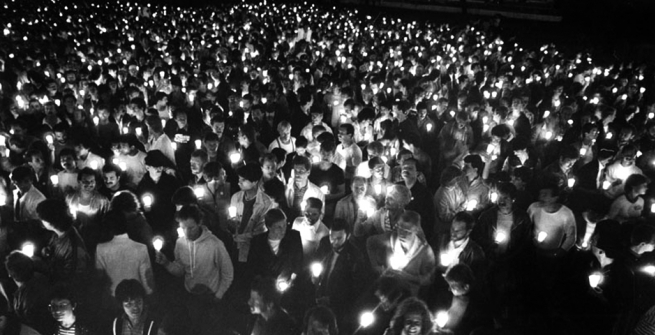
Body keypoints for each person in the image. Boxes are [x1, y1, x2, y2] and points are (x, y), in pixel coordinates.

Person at [155, 205, 233, 335]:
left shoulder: (215, 244)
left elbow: (228, 273)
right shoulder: (180, 243)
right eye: (183, 228)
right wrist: (167, 263)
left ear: (200, 223)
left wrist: (218, 295)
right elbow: (180, 270)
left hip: (211, 298)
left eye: (191, 228)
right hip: (190, 297)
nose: (187, 233)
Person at [314, 218, 368, 334]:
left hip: (339, 308)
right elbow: (316, 262)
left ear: (347, 236)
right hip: (319, 297)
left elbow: (356, 289)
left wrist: (331, 300)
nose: (334, 242)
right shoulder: (324, 243)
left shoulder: (355, 256)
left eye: (339, 238)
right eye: (331, 238)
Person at [367, 211, 436, 295]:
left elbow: (429, 279)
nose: (401, 234)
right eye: (399, 228)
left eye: (407, 231)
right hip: (387, 289)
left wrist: (408, 277)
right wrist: (375, 266)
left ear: (416, 230)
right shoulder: (391, 238)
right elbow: (370, 242)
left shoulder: (425, 251)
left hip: (407, 294)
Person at [95, 210, 154, 303]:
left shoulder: (101, 248)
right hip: (135, 298)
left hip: (112, 298)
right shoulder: (141, 248)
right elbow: (147, 279)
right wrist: (150, 298)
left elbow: (100, 277)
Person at [37, 199, 91, 286]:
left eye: (42, 218)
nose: (40, 221)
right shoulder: (59, 232)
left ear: (51, 222)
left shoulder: (74, 249)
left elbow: (71, 280)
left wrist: (42, 266)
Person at [229, 164, 274, 263]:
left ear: (254, 182)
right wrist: (232, 224)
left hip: (253, 248)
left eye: (243, 180)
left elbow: (260, 230)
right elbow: (231, 220)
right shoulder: (236, 197)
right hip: (234, 245)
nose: (239, 183)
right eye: (239, 179)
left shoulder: (266, 202)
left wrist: (241, 237)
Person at [527, 183, 577, 256]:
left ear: (555, 198)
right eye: (540, 194)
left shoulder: (566, 214)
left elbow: (571, 237)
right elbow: (525, 227)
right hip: (533, 250)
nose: (541, 197)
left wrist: (560, 252)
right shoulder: (534, 208)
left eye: (545, 195)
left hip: (553, 252)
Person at [291, 197, 329, 264]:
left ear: (320, 213)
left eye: (314, 214)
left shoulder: (325, 232)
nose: (309, 218)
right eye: (307, 213)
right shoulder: (297, 222)